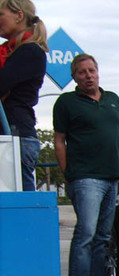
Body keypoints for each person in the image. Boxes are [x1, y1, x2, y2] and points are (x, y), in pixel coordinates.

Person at [53, 53, 119, 276]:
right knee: (86, 234)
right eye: (82, 72)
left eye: (91, 70)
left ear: (98, 72)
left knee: (102, 236)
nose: (88, 76)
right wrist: (68, 173)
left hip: (112, 176)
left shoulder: (112, 99)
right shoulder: (67, 103)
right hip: (85, 177)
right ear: (74, 77)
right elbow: (59, 139)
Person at [0, 0, 47, 191]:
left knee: (19, 201)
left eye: (0, 15)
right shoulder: (9, 53)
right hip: (9, 134)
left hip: (15, 133)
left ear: (19, 16)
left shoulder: (30, 52)